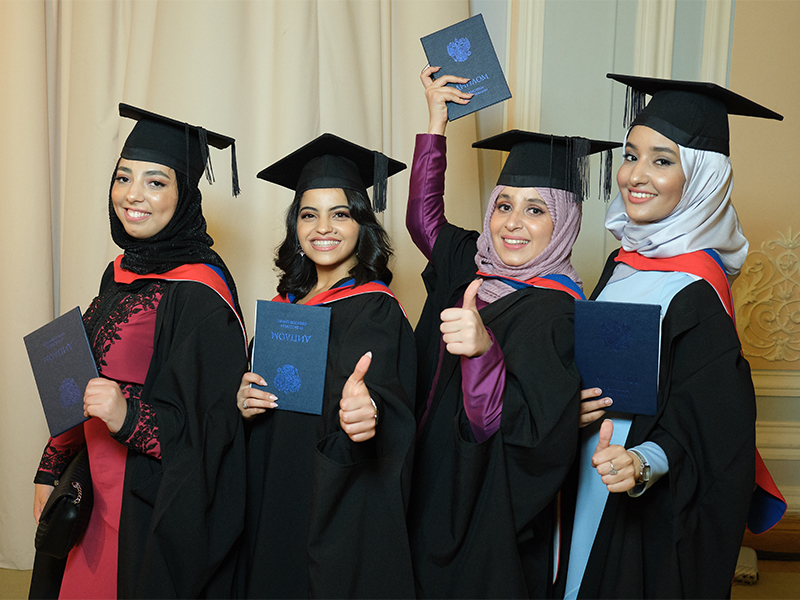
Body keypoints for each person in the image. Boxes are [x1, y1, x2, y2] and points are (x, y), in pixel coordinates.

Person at [563, 74, 786, 599]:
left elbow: (713, 429)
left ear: (702, 178)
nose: (635, 176)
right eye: (630, 154)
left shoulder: (697, 292)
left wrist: (644, 462)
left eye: (663, 160)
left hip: (629, 494)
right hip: (579, 477)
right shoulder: (623, 264)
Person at [406, 66, 618, 599]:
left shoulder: (561, 313)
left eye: (536, 209)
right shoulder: (472, 265)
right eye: (503, 205)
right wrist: (436, 120)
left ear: (565, 222)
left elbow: (519, 431)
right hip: (423, 476)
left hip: (485, 504)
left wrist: (482, 352)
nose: (512, 224)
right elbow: (422, 221)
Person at [29, 105, 248, 599]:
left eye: (156, 182)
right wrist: (50, 466)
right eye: (124, 177)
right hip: (87, 491)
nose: (133, 195)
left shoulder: (201, 293)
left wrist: (128, 416)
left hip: (146, 508)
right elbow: (81, 376)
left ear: (184, 196)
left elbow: (216, 430)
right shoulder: (118, 271)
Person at [235, 134, 417, 599]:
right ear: (295, 226)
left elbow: (395, 407)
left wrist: (369, 413)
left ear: (362, 223)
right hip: (271, 485)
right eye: (308, 214)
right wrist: (245, 399)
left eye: (341, 213)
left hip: (329, 498)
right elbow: (266, 390)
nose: (323, 228)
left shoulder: (377, 308)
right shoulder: (284, 306)